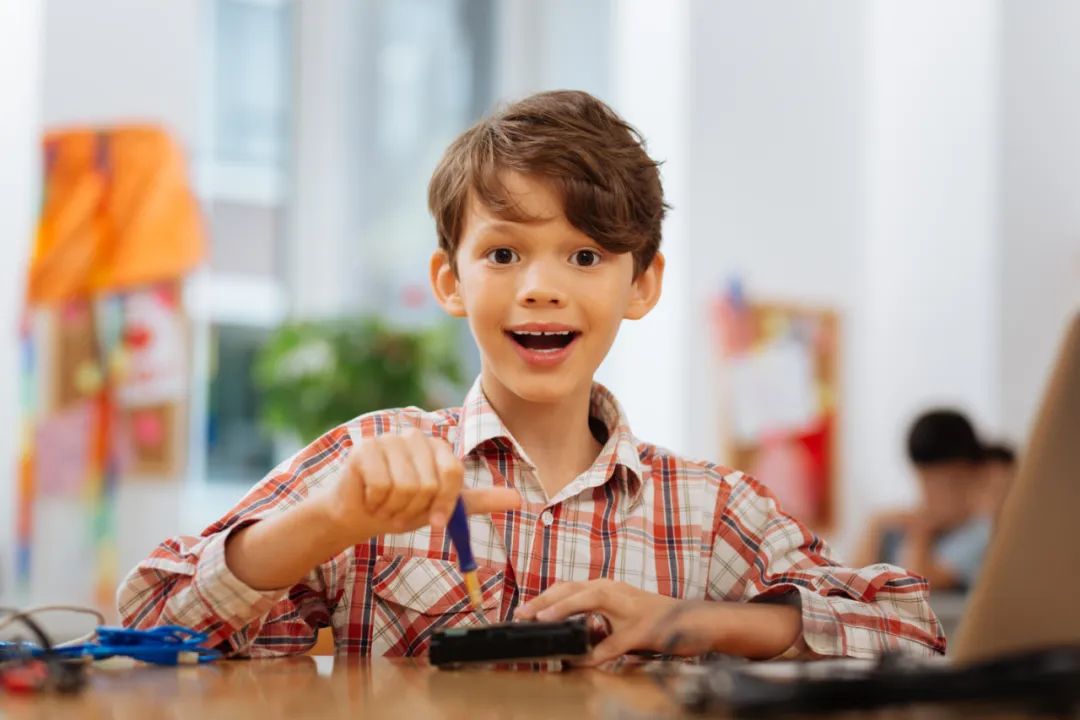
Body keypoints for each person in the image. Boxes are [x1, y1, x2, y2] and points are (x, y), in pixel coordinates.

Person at [117, 91, 944, 664]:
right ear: (450, 281)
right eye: (504, 253)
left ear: (643, 284)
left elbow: (911, 625)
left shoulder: (712, 508)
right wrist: (327, 521)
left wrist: (683, 621)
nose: (541, 286)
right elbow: (147, 617)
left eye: (585, 256)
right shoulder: (371, 460)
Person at [855, 410, 991, 591]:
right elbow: (853, 589)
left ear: (972, 475)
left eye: (950, 482)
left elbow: (914, 587)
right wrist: (875, 524)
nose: (934, 494)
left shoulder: (980, 534)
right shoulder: (896, 528)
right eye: (925, 481)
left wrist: (921, 531)